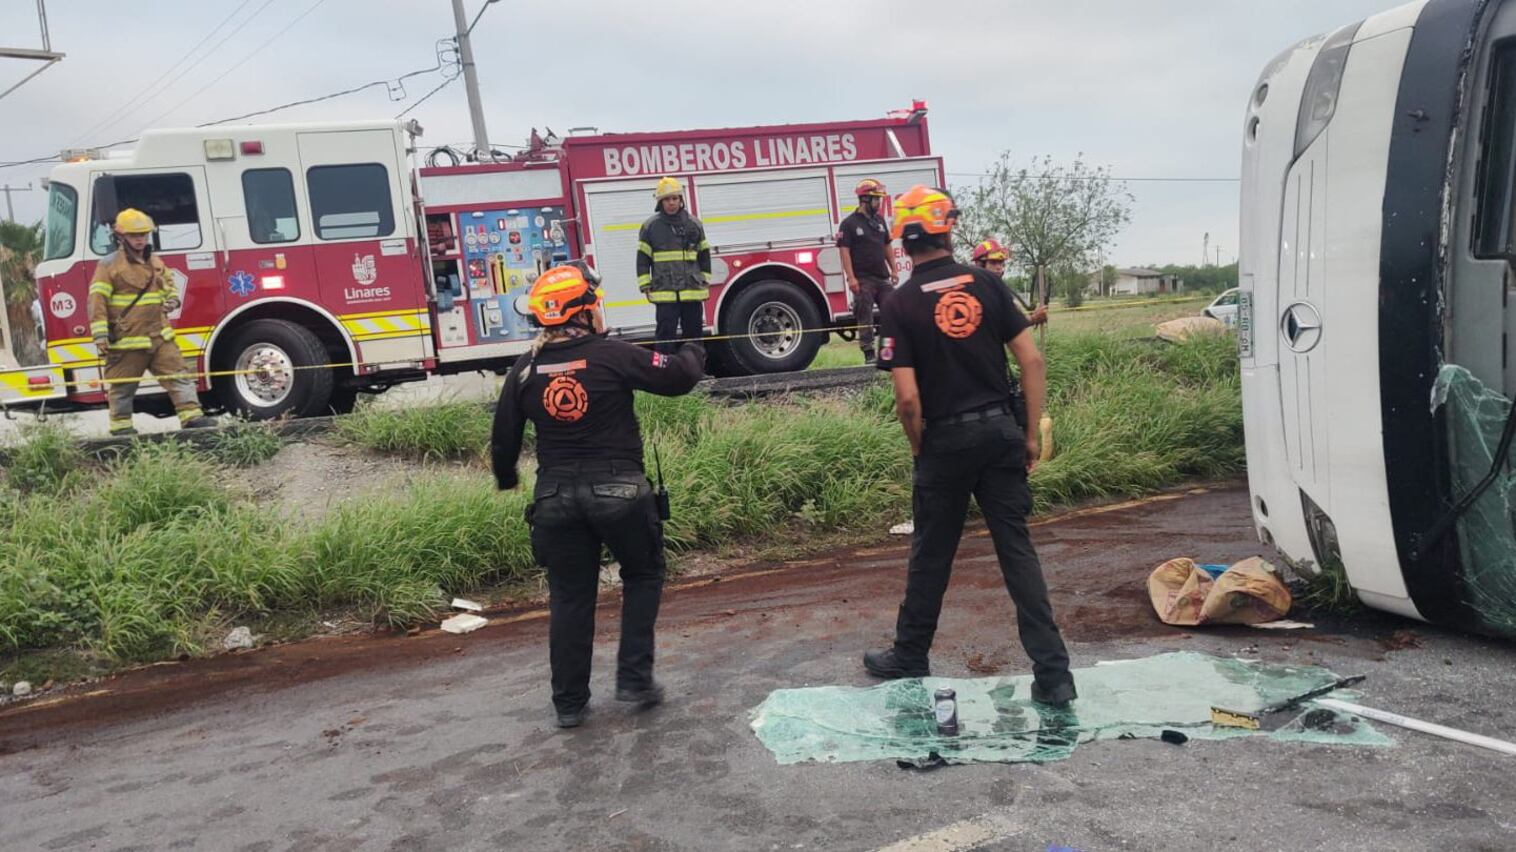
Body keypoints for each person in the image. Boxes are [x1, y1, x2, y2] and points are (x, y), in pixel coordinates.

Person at [864, 186, 1076, 707]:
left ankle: (910, 655)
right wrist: (1029, 434)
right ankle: (1054, 676)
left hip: (945, 440)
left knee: (931, 554)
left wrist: (921, 449)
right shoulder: (987, 284)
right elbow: (1032, 361)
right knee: (1017, 551)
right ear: (947, 232)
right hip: (1000, 433)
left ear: (902, 242)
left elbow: (907, 400)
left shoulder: (899, 304)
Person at [491, 262, 706, 728]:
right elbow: (678, 377)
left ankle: (569, 704)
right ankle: (634, 680)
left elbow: (503, 437)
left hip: (554, 499)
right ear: (584, 311)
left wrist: (507, 478)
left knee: (570, 596)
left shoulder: (525, 369)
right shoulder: (612, 354)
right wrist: (693, 344)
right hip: (620, 492)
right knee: (643, 573)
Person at [88, 208, 216, 436]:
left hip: (159, 337)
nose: (140, 239)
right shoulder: (108, 265)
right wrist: (100, 334)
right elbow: (97, 300)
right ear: (121, 236)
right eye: (134, 235)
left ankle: (192, 418)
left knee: (179, 376)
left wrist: (172, 300)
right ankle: (121, 429)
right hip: (127, 340)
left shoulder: (154, 261)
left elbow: (169, 285)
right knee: (122, 386)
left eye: (144, 234)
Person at [637, 177, 711, 355]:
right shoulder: (650, 227)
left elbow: (704, 254)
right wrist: (645, 285)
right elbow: (643, 258)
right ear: (660, 202)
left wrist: (705, 280)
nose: (671, 203)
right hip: (665, 291)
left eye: (675, 198)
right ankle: (664, 368)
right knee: (665, 334)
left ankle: (695, 367)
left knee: (693, 334)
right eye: (667, 199)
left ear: (681, 200)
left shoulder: (694, 224)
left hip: (691, 290)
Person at [836, 178, 898, 362]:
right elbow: (844, 252)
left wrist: (894, 269)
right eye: (876, 199)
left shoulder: (879, 221)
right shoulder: (849, 224)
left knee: (892, 313)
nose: (879, 203)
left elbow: (887, 246)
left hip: (882, 278)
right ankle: (869, 352)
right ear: (865, 199)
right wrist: (851, 278)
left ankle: (888, 352)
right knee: (865, 316)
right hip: (863, 279)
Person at [970, 239, 1048, 326]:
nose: (999, 267)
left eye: (1001, 262)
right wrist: (1033, 318)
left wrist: (1032, 318)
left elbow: (1015, 318)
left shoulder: (999, 291)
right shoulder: (975, 292)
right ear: (979, 265)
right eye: (993, 262)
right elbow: (1008, 325)